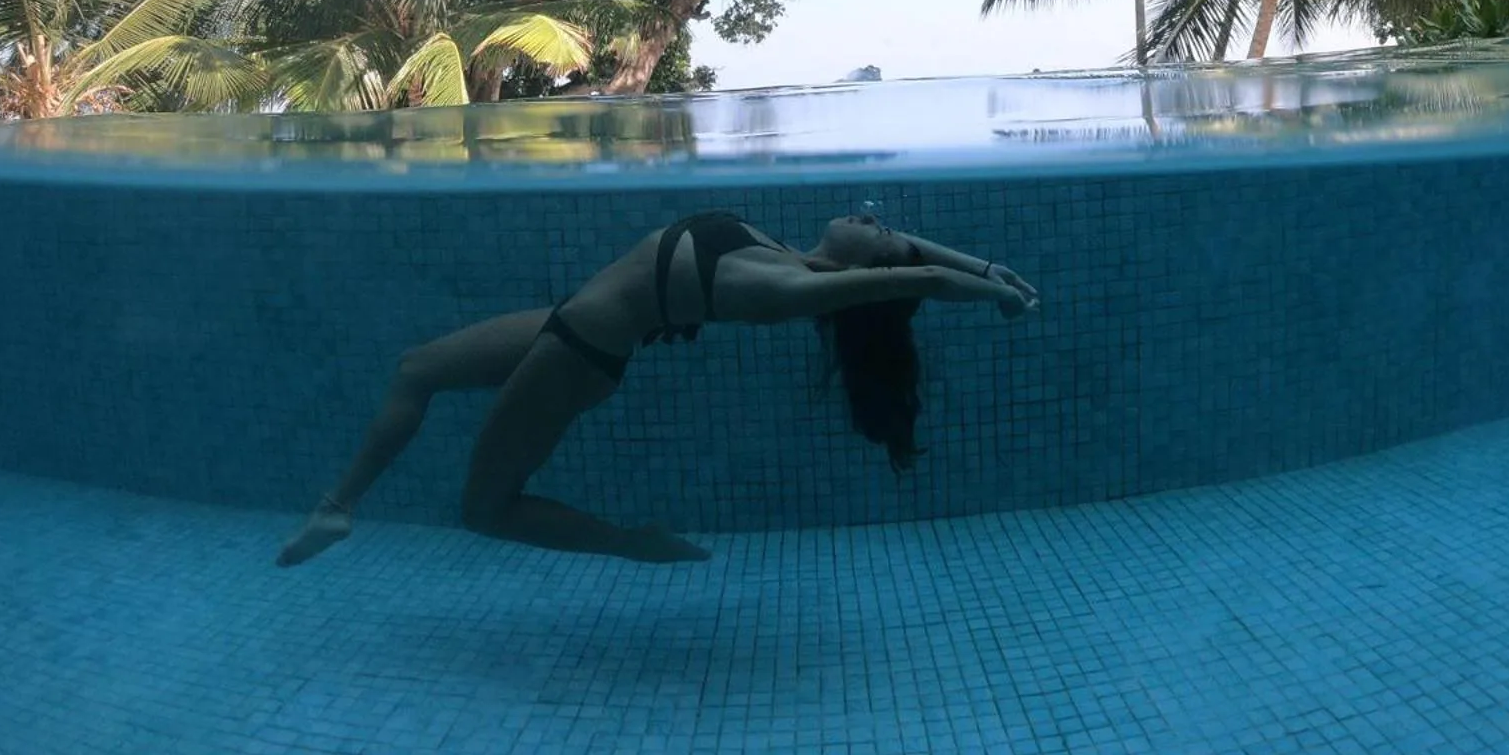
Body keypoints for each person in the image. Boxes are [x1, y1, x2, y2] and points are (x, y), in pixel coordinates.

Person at [276, 211, 1040, 567]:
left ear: (867, 272)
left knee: (484, 510)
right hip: (567, 324)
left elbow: (916, 273)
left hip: (579, 349)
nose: (872, 218)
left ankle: (630, 546)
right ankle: (336, 509)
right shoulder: (787, 253)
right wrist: (985, 265)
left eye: (876, 231)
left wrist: (985, 289)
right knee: (416, 367)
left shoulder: (785, 287)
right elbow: (914, 256)